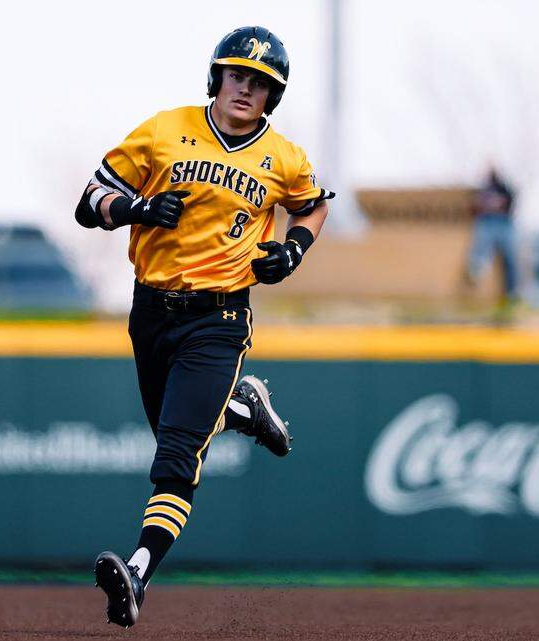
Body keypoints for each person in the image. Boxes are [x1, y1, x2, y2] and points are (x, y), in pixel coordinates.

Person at [76, 26, 332, 627]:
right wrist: (136, 208)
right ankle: (241, 410)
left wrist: (292, 249)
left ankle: (138, 572)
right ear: (217, 77)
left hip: (219, 316)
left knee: (176, 454)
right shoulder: (165, 129)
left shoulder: (284, 158)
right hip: (151, 309)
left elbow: (314, 204)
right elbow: (88, 203)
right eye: (238, 75)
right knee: (173, 429)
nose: (246, 89)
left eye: (260, 83)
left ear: (273, 96)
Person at [466, 166, 518, 300]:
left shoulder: (504, 189)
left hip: (503, 223)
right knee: (479, 255)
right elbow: (473, 207)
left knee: (510, 259)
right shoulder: (482, 190)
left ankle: (511, 293)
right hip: (486, 221)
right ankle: (473, 280)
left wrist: (499, 204)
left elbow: (511, 203)